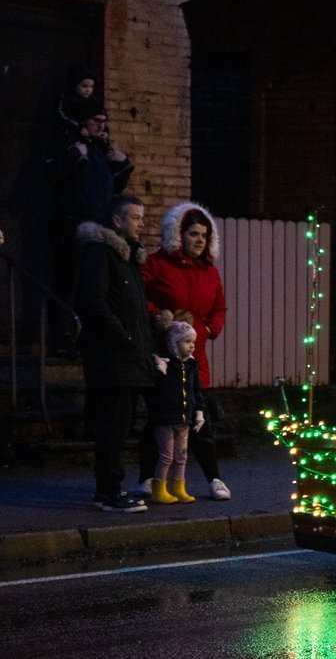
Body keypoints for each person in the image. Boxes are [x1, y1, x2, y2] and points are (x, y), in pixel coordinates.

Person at [138, 202, 231, 500]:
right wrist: (160, 318)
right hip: (164, 357)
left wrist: (209, 329)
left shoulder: (210, 272)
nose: (199, 240)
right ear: (179, 234)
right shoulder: (157, 264)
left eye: (204, 235)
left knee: (200, 418)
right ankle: (148, 479)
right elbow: (137, 297)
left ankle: (214, 479)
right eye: (193, 234)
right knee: (159, 419)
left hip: (195, 358)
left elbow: (219, 308)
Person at [76, 194, 154, 512]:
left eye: (142, 218)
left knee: (120, 427)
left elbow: (134, 308)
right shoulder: (101, 253)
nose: (141, 224)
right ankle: (109, 491)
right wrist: (124, 338)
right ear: (117, 220)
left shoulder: (129, 257)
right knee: (111, 427)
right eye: (136, 217)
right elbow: (93, 302)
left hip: (129, 359)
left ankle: (108, 489)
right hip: (111, 358)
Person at [46, 99, 133, 352]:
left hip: (99, 228)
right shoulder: (70, 145)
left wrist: (121, 163)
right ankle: (62, 338)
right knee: (68, 281)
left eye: (104, 122)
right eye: (96, 121)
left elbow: (112, 187)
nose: (101, 126)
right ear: (83, 122)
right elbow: (53, 175)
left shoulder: (98, 151)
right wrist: (76, 155)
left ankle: (87, 338)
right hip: (71, 226)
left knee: (93, 286)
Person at [148, 322, 205, 505]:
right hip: (166, 418)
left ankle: (178, 488)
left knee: (182, 455)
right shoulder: (164, 364)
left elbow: (196, 390)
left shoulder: (190, 365)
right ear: (174, 343)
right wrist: (159, 373)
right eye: (186, 341)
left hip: (184, 417)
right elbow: (156, 391)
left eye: (193, 342)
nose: (191, 345)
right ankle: (159, 489)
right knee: (166, 456)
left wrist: (199, 413)